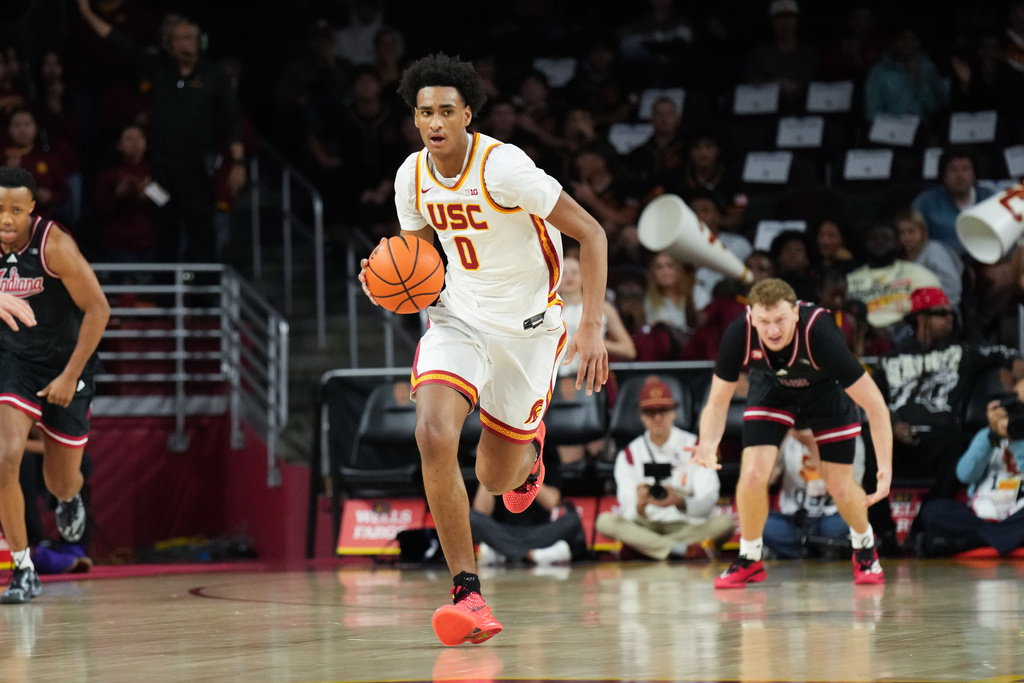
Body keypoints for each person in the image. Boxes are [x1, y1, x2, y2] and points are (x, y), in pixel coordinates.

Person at [357, 53, 608, 646]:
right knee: (434, 434)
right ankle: (467, 592)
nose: (436, 121)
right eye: (425, 113)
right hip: (458, 320)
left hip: (528, 331)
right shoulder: (410, 177)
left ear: (467, 114)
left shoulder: (506, 168)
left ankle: (530, 454)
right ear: (415, 120)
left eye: (447, 110)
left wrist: (591, 326)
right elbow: (418, 264)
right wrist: (389, 283)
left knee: (497, 479)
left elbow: (592, 233)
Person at [688, 278, 892, 588]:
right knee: (753, 475)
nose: (772, 330)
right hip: (773, 389)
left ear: (795, 313)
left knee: (838, 482)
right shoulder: (739, 332)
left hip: (824, 393)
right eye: (764, 321)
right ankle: (750, 557)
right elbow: (717, 402)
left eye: (780, 319)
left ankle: (865, 549)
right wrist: (708, 444)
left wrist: (886, 468)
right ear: (752, 316)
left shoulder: (819, 332)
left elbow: (876, 405)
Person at [0, 166, 110, 604]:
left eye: (14, 210)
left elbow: (98, 310)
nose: (5, 219)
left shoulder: (55, 246)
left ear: (31, 209)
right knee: (4, 456)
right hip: (13, 360)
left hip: (67, 362)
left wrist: (69, 375)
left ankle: (68, 499)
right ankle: (23, 569)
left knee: (61, 481)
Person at [76, 0, 246, 263]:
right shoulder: (158, 69)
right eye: (177, 39)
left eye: (189, 38)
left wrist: (238, 162)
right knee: (164, 228)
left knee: (201, 231)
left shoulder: (214, 77)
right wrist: (87, 13)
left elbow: (233, 119)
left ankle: (203, 297)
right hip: (162, 168)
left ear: (200, 42)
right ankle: (165, 297)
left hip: (198, 168)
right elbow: (119, 42)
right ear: (168, 44)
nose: (184, 44)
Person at [870, 286, 1019, 544]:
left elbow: (1008, 355)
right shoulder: (889, 359)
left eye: (951, 314)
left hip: (939, 439)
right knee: (866, 437)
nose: (951, 319)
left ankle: (921, 528)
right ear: (921, 318)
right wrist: (893, 425)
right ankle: (882, 530)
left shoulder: (962, 352)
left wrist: (1016, 375)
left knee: (959, 440)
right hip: (895, 439)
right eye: (942, 314)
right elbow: (871, 401)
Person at [595, 376, 734, 560]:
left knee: (724, 524)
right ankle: (680, 549)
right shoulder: (629, 454)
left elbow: (709, 499)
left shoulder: (695, 447)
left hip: (685, 524)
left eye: (663, 410)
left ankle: (647, 549)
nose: (658, 418)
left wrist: (680, 502)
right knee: (605, 522)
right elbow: (627, 508)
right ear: (642, 416)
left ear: (674, 412)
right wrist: (640, 506)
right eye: (651, 412)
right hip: (646, 524)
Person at [915, 379, 1024, 557]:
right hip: (981, 516)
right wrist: (991, 436)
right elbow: (964, 475)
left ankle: (966, 543)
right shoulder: (989, 434)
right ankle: (998, 538)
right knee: (933, 510)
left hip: (1019, 515)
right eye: (1016, 403)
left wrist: (1017, 440)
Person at [470, 443, 588, 567]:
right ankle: (532, 555)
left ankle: (505, 552)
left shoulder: (547, 454)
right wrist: (490, 466)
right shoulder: (499, 456)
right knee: (472, 519)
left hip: (538, 531)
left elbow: (551, 502)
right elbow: (481, 510)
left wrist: (525, 470)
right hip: (503, 529)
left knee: (572, 520)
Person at [764, 429, 866, 559]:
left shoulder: (850, 436)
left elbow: (850, 489)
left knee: (842, 524)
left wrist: (813, 449)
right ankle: (818, 550)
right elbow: (766, 480)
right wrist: (775, 447)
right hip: (793, 518)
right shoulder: (787, 437)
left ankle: (802, 550)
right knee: (760, 523)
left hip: (832, 515)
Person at [845, 221, 941, 338]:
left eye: (885, 238)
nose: (879, 242)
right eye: (874, 238)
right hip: (863, 338)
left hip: (907, 335)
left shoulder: (919, 273)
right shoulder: (850, 280)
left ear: (897, 242)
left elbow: (933, 311)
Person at [911, 146, 994, 253]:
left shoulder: (990, 198)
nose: (960, 176)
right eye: (953, 170)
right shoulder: (926, 202)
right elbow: (911, 236)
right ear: (944, 175)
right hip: (942, 262)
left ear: (974, 175)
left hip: (986, 258)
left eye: (965, 169)